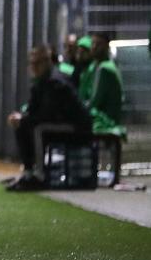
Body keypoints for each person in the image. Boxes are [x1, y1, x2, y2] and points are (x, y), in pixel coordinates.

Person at [5, 45, 92, 191]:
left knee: (40, 129)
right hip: (59, 123)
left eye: (37, 63)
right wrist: (20, 118)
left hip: (75, 126)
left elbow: (48, 115)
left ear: (47, 62)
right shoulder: (40, 82)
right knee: (22, 125)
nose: (34, 67)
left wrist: (25, 119)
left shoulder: (55, 82)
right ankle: (28, 173)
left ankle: (40, 176)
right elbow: (34, 111)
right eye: (32, 63)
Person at [85, 33, 125, 137]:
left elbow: (95, 101)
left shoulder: (103, 68)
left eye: (98, 44)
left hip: (104, 123)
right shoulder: (109, 65)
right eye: (93, 43)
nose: (94, 47)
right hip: (111, 121)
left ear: (107, 46)